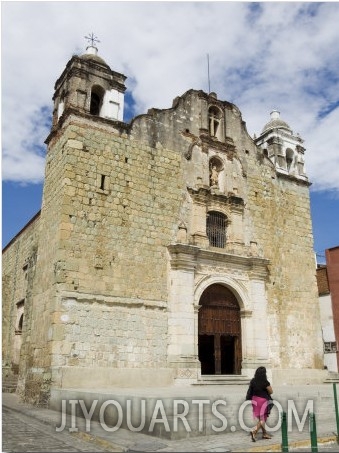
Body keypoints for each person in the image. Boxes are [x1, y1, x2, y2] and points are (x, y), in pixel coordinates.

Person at [248, 366, 273, 442]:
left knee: (260, 418)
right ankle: (254, 431)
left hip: (254, 400)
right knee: (263, 418)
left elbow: (250, 390)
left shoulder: (253, 381)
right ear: (264, 374)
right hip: (262, 401)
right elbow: (271, 391)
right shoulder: (265, 382)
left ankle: (264, 433)